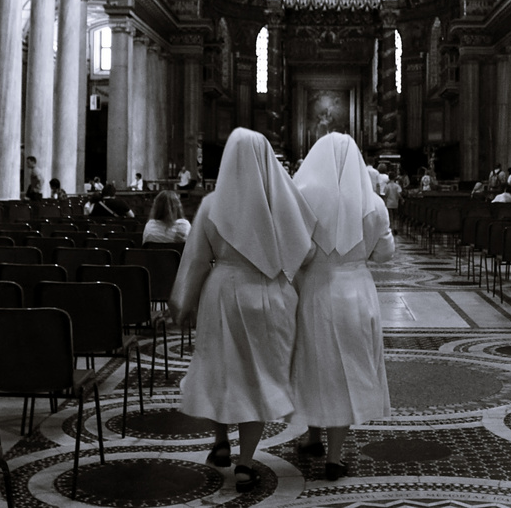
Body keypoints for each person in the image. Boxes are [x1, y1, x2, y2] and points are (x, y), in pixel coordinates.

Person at [169, 128, 316, 493]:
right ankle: (246, 464)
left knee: (218, 370)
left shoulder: (211, 204)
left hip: (221, 292)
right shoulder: (281, 203)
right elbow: (306, 252)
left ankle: (220, 442)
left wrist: (183, 302)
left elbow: (196, 260)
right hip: (268, 295)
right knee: (258, 378)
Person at [291, 133, 395, 481]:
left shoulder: (303, 198)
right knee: (347, 370)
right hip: (357, 291)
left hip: (315, 289)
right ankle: (334, 458)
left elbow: (297, 251)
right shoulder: (373, 203)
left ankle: (313, 437)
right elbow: (385, 254)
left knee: (314, 363)